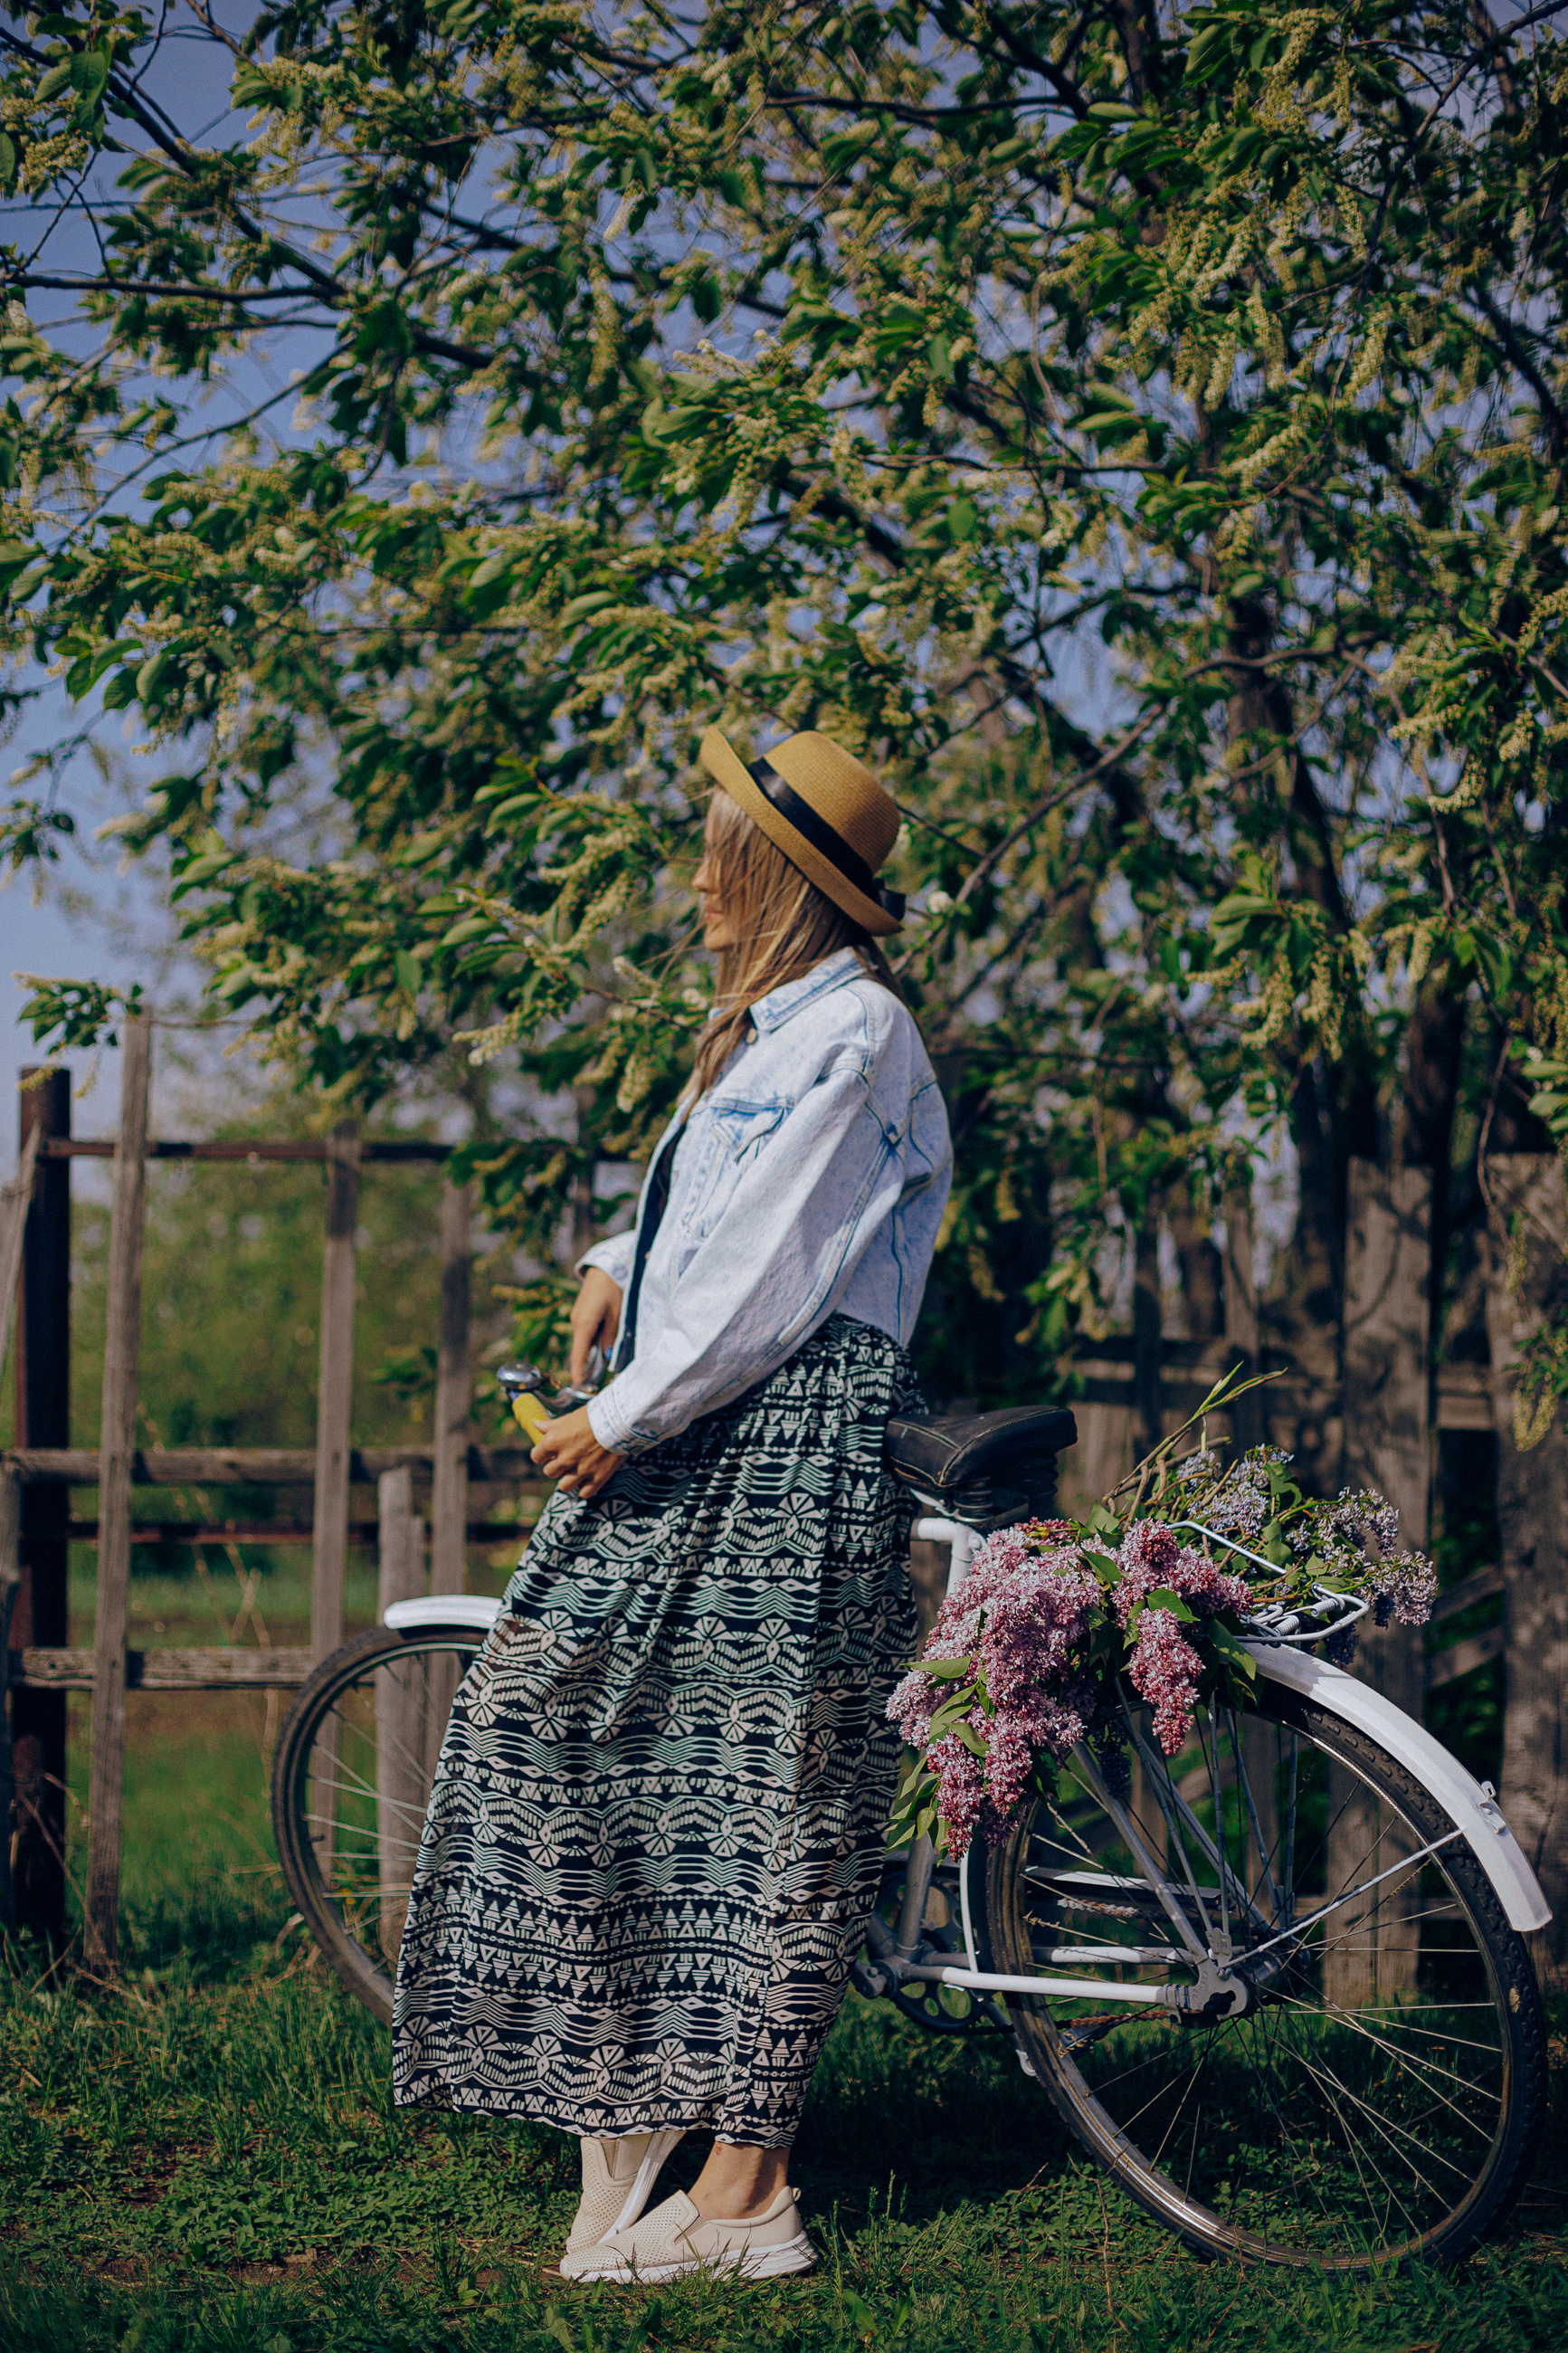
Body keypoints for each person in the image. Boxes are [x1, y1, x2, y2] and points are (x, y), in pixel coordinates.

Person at [392, 726, 952, 2285]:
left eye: (723, 851)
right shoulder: (770, 1035)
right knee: (542, 1712)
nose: (697, 874)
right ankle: (634, 2087)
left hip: (781, 1439)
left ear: (777, 883)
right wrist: (607, 1265)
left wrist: (615, 1418)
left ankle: (746, 2201)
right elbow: (712, 1217)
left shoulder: (855, 1037)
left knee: (764, 1792)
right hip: (709, 1419)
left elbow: (778, 1273)